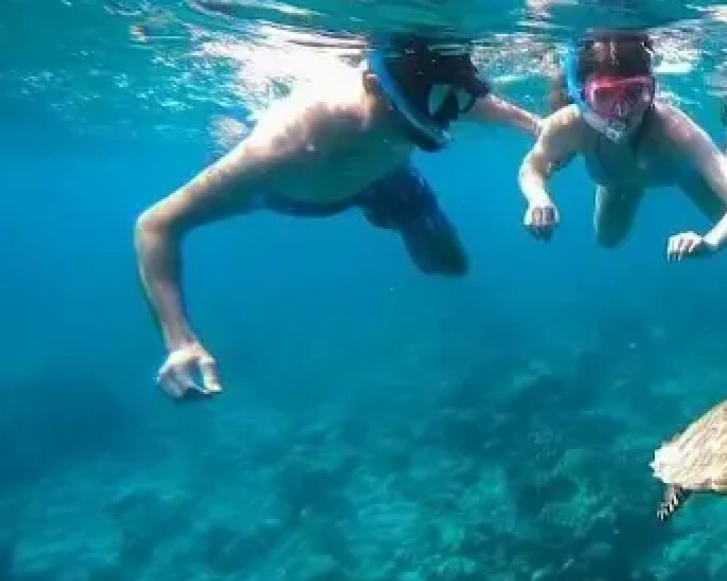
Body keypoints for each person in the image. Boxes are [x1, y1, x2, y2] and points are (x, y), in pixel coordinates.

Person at [134, 34, 541, 402]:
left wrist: (539, 127)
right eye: (406, 126)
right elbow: (156, 224)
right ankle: (235, 135)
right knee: (228, 160)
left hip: (383, 179)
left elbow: (477, 104)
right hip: (297, 190)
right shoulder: (280, 148)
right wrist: (178, 339)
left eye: (423, 134)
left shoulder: (424, 98)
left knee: (451, 265)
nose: (408, 137)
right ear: (371, 85)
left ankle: (380, 207)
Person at [518, 29, 727, 260]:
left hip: (680, 173)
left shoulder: (671, 128)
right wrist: (538, 198)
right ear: (581, 95)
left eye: (635, 93)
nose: (622, 110)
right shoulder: (569, 124)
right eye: (605, 96)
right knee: (607, 240)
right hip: (617, 182)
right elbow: (533, 166)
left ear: (652, 91)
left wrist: (711, 243)